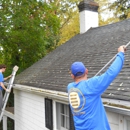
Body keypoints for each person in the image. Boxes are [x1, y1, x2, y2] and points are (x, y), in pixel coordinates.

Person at [67, 45, 126, 130]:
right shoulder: (92, 85)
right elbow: (111, 73)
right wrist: (121, 53)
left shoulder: (70, 87)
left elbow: (83, 86)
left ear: (72, 76)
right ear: (86, 71)